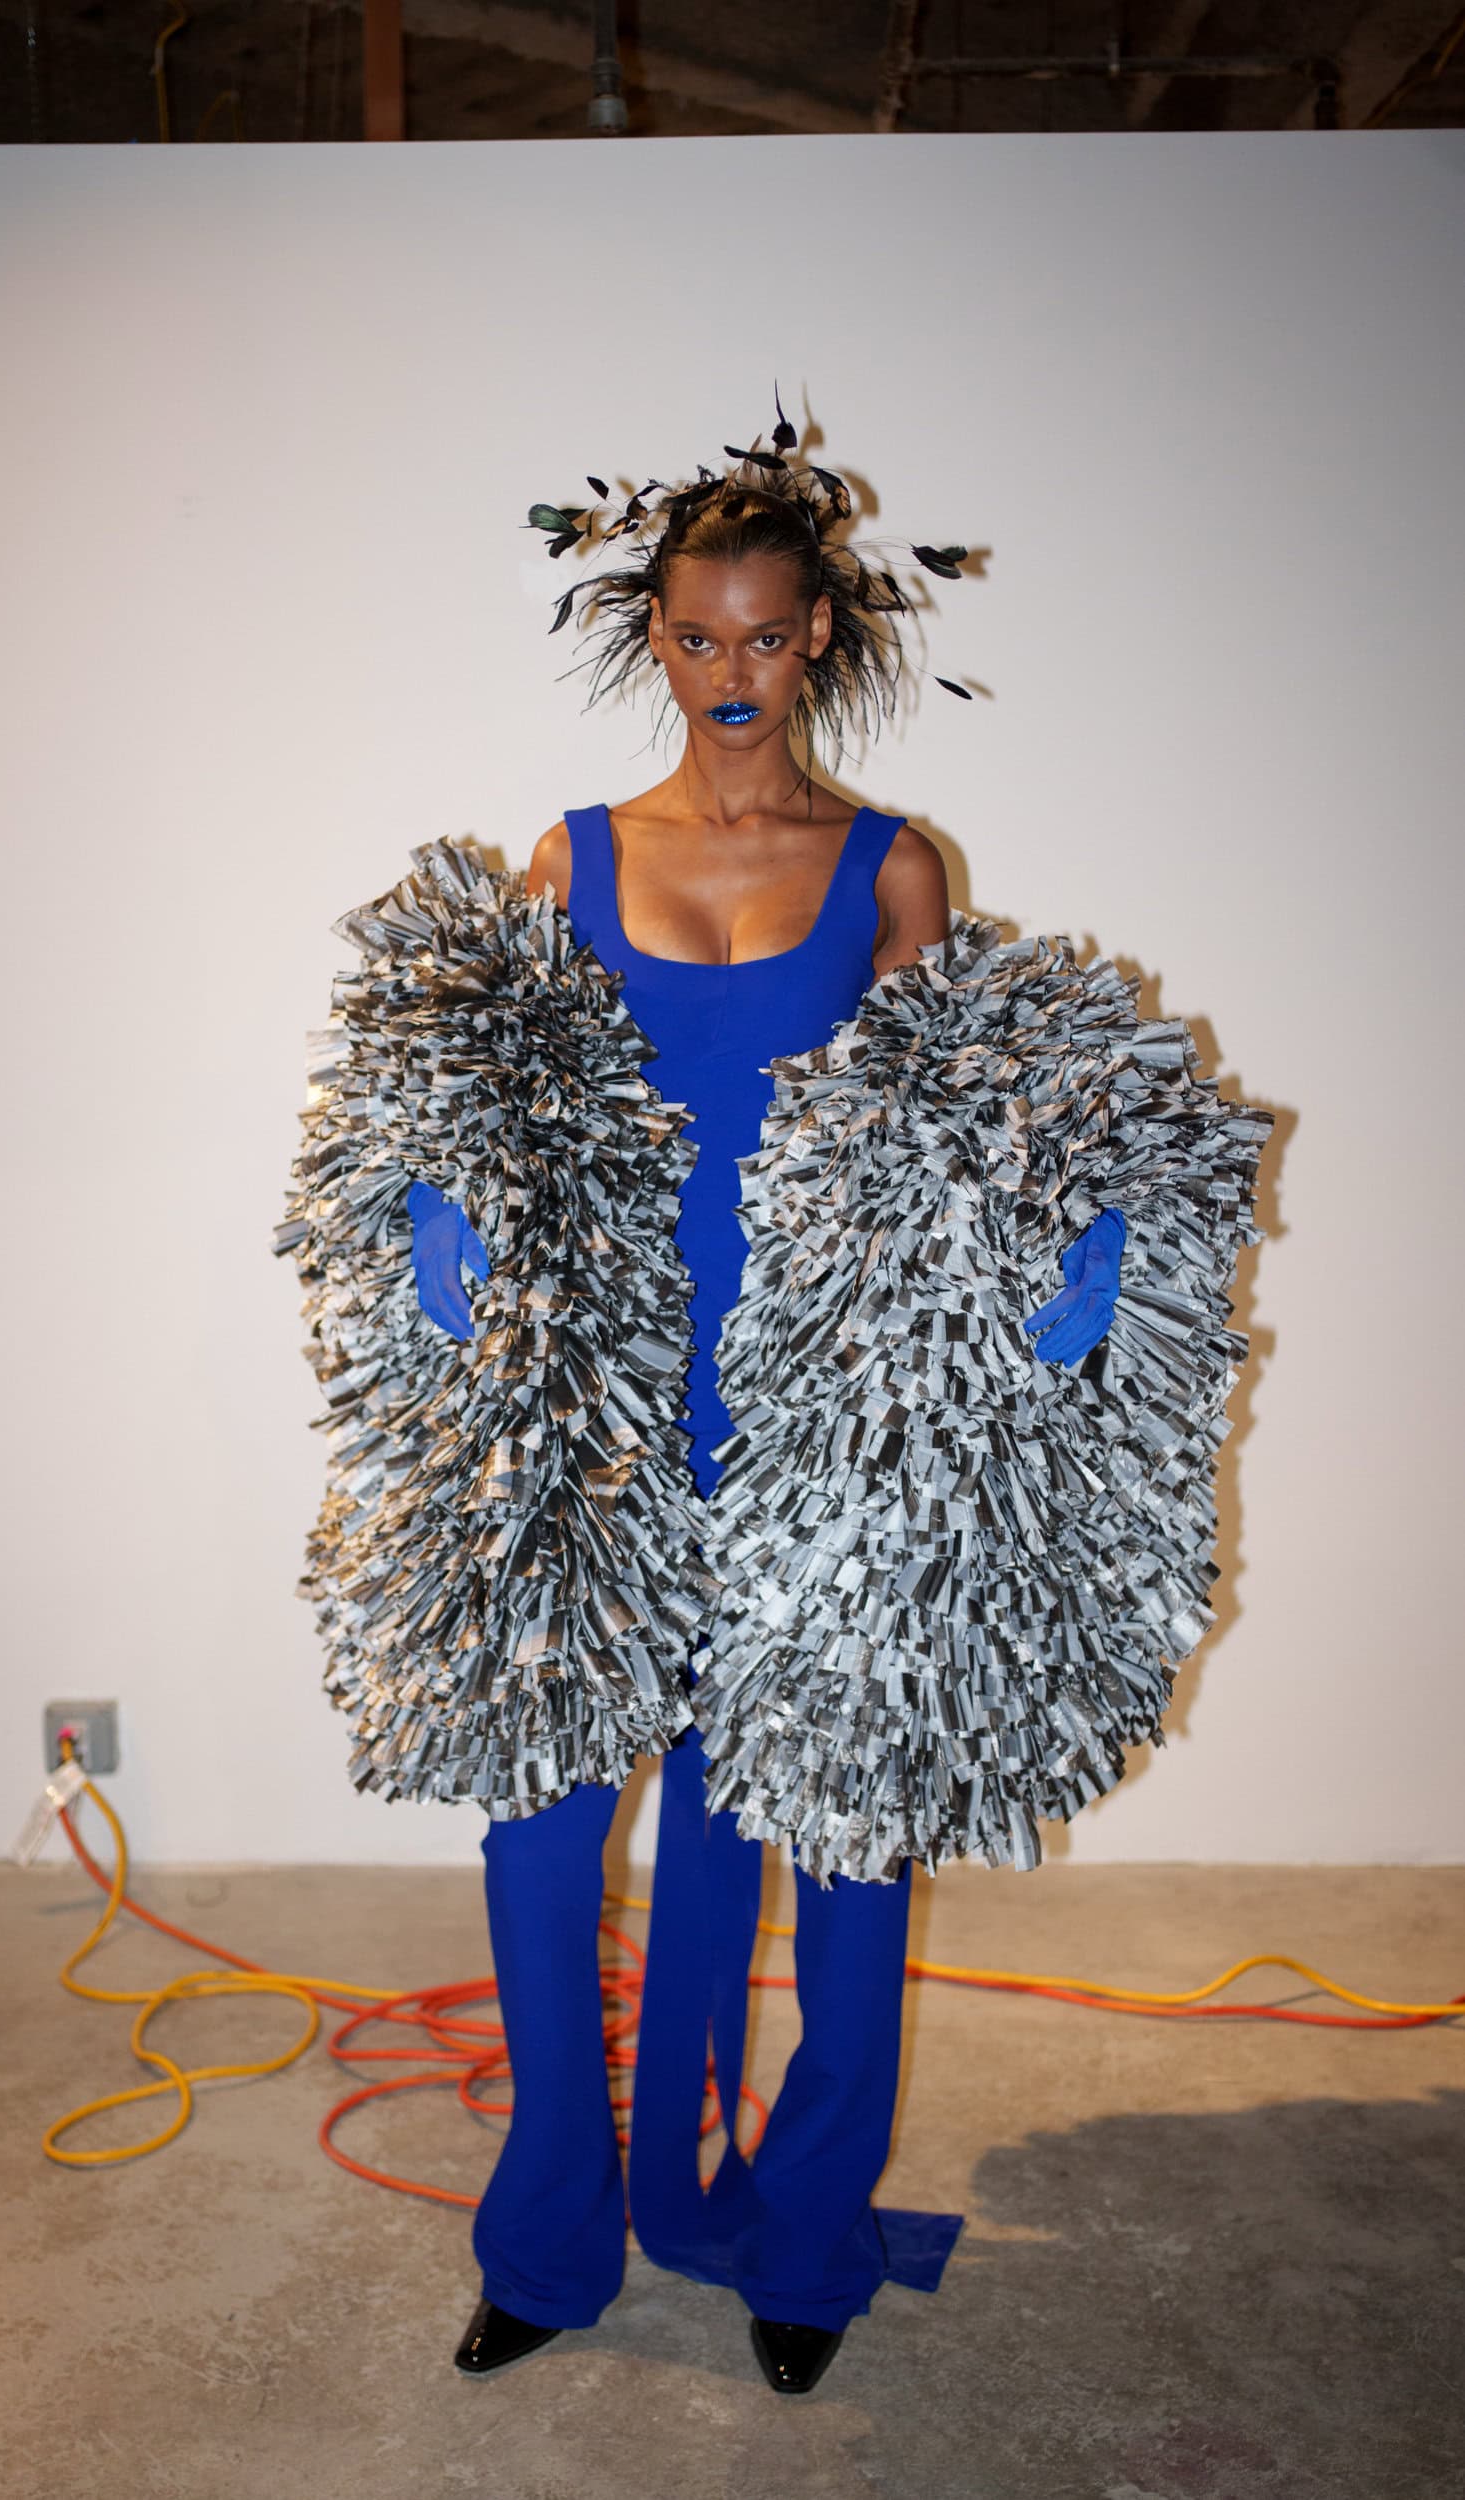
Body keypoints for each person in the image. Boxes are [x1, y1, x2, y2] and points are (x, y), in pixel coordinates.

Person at [404, 424, 1125, 2393]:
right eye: (696, 635)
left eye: (764, 636)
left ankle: (802, 2243)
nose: (730, 671)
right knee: (541, 1840)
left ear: (817, 636)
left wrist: (1077, 1232)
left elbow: (969, 1114)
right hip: (607, 1417)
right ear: (652, 635)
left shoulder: (890, 870)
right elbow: (493, 1096)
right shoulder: (571, 855)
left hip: (820, 1423)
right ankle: (548, 2243)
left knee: (846, 1846)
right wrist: (439, 1195)